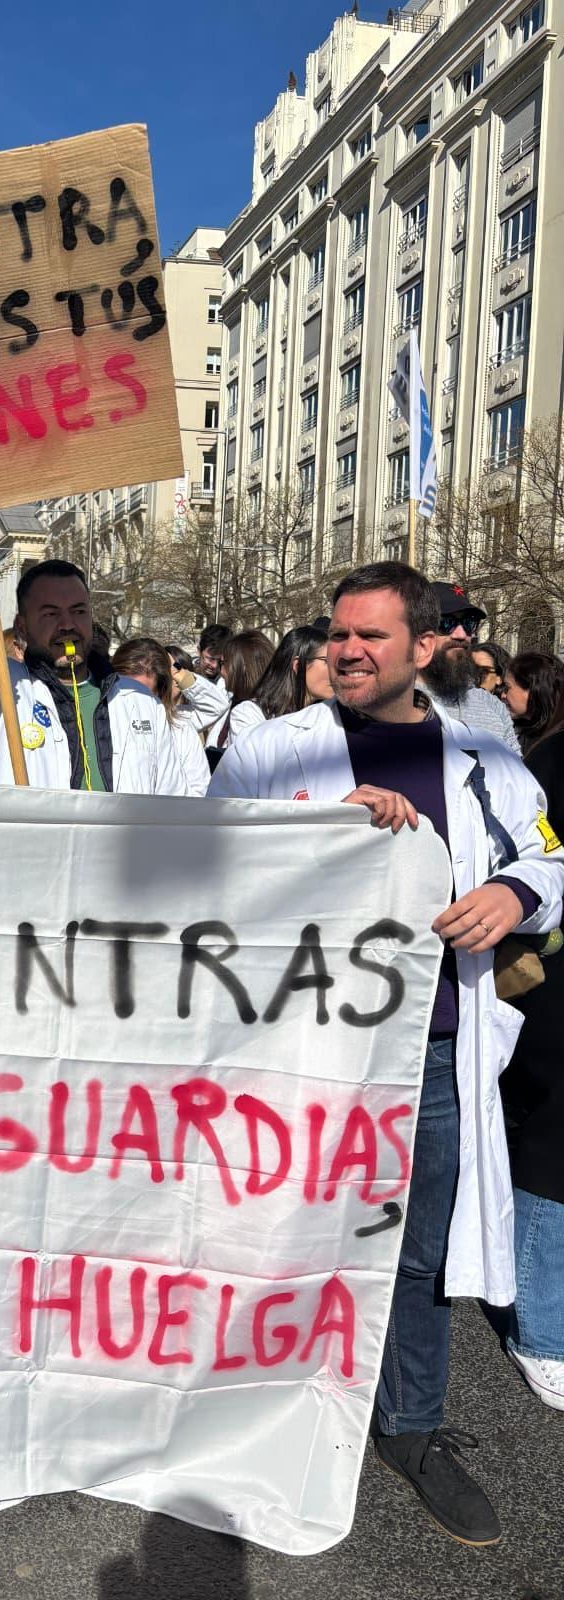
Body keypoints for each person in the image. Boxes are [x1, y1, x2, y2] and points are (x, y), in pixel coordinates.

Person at [209, 561, 562, 1547]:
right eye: (339, 634)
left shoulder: (487, 758)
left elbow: (547, 854)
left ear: (426, 647)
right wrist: (319, 834)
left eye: (371, 636)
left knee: (413, 1258)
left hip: (432, 1059)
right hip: (301, 1055)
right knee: (273, 1236)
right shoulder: (273, 749)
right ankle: (249, 1413)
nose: (349, 650)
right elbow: (202, 866)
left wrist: (517, 898)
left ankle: (411, 1426)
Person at [0, 515, 185, 794]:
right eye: (50, 613)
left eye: (78, 611)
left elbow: (172, 802)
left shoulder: (140, 700)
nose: (68, 624)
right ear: (22, 626)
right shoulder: (2, 687)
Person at [499, 711, 564, 1410]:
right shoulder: (550, 763)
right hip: (554, 987)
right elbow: (536, 863)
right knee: (552, 1152)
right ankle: (543, 1332)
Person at [421, 583, 520, 754]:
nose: (461, 635)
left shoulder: (491, 705)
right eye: (445, 623)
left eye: (468, 623)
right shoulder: (395, 704)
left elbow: (517, 775)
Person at [110, 637, 208, 796]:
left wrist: (177, 669)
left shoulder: (181, 731)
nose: (133, 703)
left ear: (161, 693)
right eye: (126, 692)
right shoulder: (94, 723)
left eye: (143, 695)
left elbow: (198, 795)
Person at [205, 629, 273, 761]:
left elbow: (246, 769)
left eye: (223, 663)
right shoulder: (277, 705)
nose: (220, 670)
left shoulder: (245, 712)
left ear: (243, 667)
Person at [253, 625, 332, 720]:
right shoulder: (252, 714)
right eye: (327, 661)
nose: (336, 670)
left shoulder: (328, 718)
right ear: (298, 666)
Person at [502, 651, 564, 755]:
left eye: (507, 688)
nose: (503, 695)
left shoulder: (557, 743)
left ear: (532, 689)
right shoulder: (521, 733)